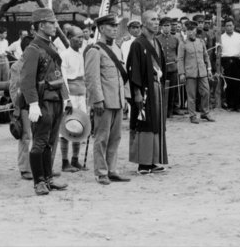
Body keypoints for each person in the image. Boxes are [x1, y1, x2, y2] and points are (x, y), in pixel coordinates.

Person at [21, 8, 72, 195]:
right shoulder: (33, 49)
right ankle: (39, 182)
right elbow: (26, 80)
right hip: (43, 102)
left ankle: (49, 178)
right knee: (40, 143)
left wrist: (65, 97)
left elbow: (59, 74)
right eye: (52, 22)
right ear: (41, 26)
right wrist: (33, 104)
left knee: (50, 142)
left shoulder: (52, 47)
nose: (55, 26)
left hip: (56, 99)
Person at [84, 14, 130, 185]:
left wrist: (125, 98)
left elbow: (120, 77)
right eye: (111, 26)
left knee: (115, 138)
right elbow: (92, 78)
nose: (115, 29)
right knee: (102, 138)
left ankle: (112, 169)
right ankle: (101, 172)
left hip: (117, 100)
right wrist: (97, 100)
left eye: (116, 26)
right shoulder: (95, 51)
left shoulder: (117, 49)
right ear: (102, 29)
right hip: (103, 101)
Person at [127, 10, 168, 175]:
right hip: (144, 90)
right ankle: (143, 163)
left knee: (156, 123)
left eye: (158, 19)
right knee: (144, 123)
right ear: (144, 23)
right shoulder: (138, 44)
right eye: (153, 19)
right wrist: (136, 93)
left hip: (157, 88)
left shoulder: (156, 42)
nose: (157, 22)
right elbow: (133, 70)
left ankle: (153, 161)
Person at [59, 26, 87, 173]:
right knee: (66, 128)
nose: (81, 40)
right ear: (69, 38)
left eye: (82, 37)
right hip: (70, 96)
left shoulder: (83, 53)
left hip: (82, 95)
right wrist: (67, 100)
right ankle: (65, 161)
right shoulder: (64, 55)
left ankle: (75, 159)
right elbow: (62, 79)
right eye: (77, 37)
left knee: (80, 127)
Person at [8, 33, 35, 181]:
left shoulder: (38, 63)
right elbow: (13, 88)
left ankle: (37, 165)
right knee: (26, 136)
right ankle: (24, 167)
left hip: (37, 104)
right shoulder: (16, 66)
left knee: (38, 136)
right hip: (24, 105)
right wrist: (17, 108)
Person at [177, 20, 214, 123]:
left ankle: (205, 113)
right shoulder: (183, 44)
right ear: (186, 31)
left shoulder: (201, 42)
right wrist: (182, 73)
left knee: (206, 92)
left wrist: (209, 69)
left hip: (202, 72)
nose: (191, 32)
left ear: (196, 30)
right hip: (190, 73)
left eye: (192, 30)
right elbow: (180, 59)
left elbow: (206, 56)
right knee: (191, 95)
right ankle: (192, 115)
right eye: (188, 30)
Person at [219, 18, 240, 112]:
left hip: (237, 60)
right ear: (224, 27)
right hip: (226, 61)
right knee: (228, 84)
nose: (229, 27)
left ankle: (238, 106)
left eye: (231, 25)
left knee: (238, 83)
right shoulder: (221, 37)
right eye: (227, 25)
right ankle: (230, 105)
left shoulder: (239, 36)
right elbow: (218, 52)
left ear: (233, 26)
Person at [157, 17, 182, 117]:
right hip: (162, 70)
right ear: (161, 27)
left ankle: (171, 111)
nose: (167, 28)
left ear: (171, 27)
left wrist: (176, 61)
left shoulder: (176, 39)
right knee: (162, 90)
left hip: (173, 69)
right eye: (164, 26)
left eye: (168, 26)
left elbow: (178, 54)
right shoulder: (157, 39)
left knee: (173, 91)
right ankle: (163, 110)